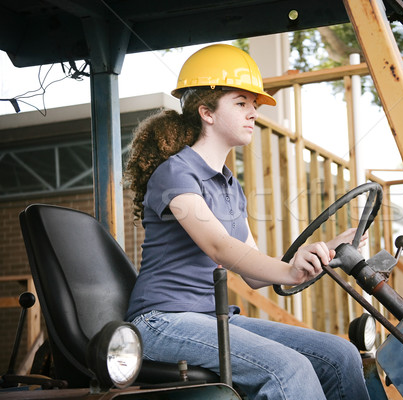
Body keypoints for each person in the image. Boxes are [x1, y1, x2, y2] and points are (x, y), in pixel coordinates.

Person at [124, 43, 371, 400]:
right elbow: (219, 246)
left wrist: (328, 249)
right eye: (241, 103)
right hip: (163, 322)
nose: (252, 113)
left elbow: (254, 275)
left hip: (214, 318)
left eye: (254, 106)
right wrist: (289, 271)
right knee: (290, 368)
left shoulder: (229, 184)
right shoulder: (175, 173)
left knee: (340, 356)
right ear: (207, 112)